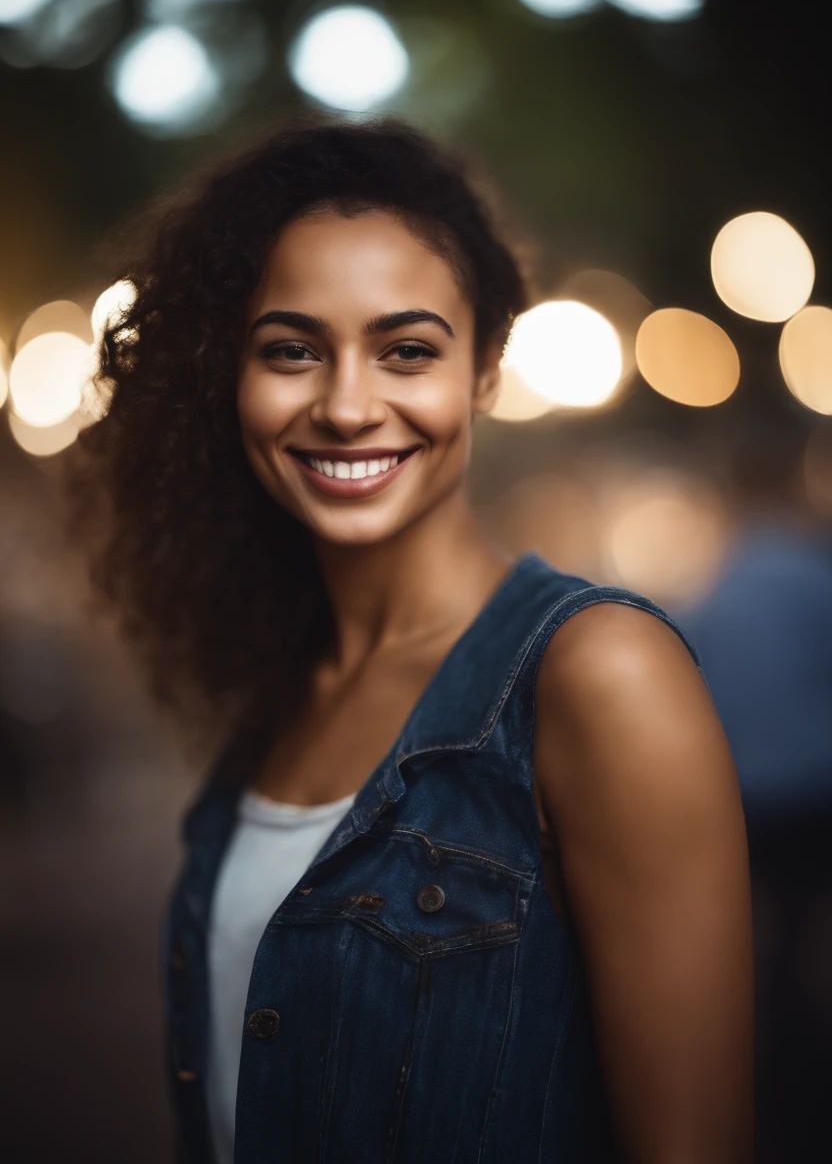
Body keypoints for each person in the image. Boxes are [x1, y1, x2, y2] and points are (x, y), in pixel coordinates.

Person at [68, 120, 753, 1163]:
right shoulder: (281, 695)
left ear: (483, 369)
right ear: (229, 377)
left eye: (407, 350)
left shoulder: (597, 674)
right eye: (291, 349)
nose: (346, 406)